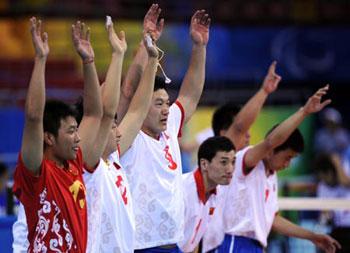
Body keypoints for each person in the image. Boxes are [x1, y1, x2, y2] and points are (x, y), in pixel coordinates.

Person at [120, 9, 210, 252]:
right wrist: (147, 41)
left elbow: (190, 95)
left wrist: (199, 47)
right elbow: (129, 90)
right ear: (141, 106)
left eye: (167, 104)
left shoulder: (169, 126)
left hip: (173, 243)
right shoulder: (130, 134)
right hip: (139, 245)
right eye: (158, 104)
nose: (166, 110)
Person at [12, 17, 105, 252]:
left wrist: (88, 61)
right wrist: (41, 59)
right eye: (71, 131)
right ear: (49, 137)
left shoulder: (75, 163)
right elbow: (34, 117)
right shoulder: (36, 173)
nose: (78, 137)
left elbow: (94, 114)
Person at [217, 85, 341, 253]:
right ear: (271, 152)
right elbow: (271, 141)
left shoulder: (271, 177)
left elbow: (274, 220)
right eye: (287, 157)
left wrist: (312, 236)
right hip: (234, 241)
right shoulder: (248, 160)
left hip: (254, 246)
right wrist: (304, 111)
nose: (287, 164)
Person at [83, 18, 159, 252]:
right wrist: (117, 56)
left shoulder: (113, 159)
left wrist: (153, 59)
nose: (118, 129)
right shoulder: (89, 167)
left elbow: (137, 110)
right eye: (112, 125)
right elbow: (104, 110)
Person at [202, 61, 282, 252]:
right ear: (223, 133)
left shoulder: (254, 166)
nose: (248, 134)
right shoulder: (225, 161)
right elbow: (241, 128)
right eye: (244, 129)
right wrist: (264, 91)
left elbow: (274, 219)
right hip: (225, 243)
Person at [178, 136, 235, 252]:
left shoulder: (216, 193)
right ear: (204, 164)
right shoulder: (182, 191)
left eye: (233, 162)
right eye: (224, 162)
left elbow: (194, 241)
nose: (230, 169)